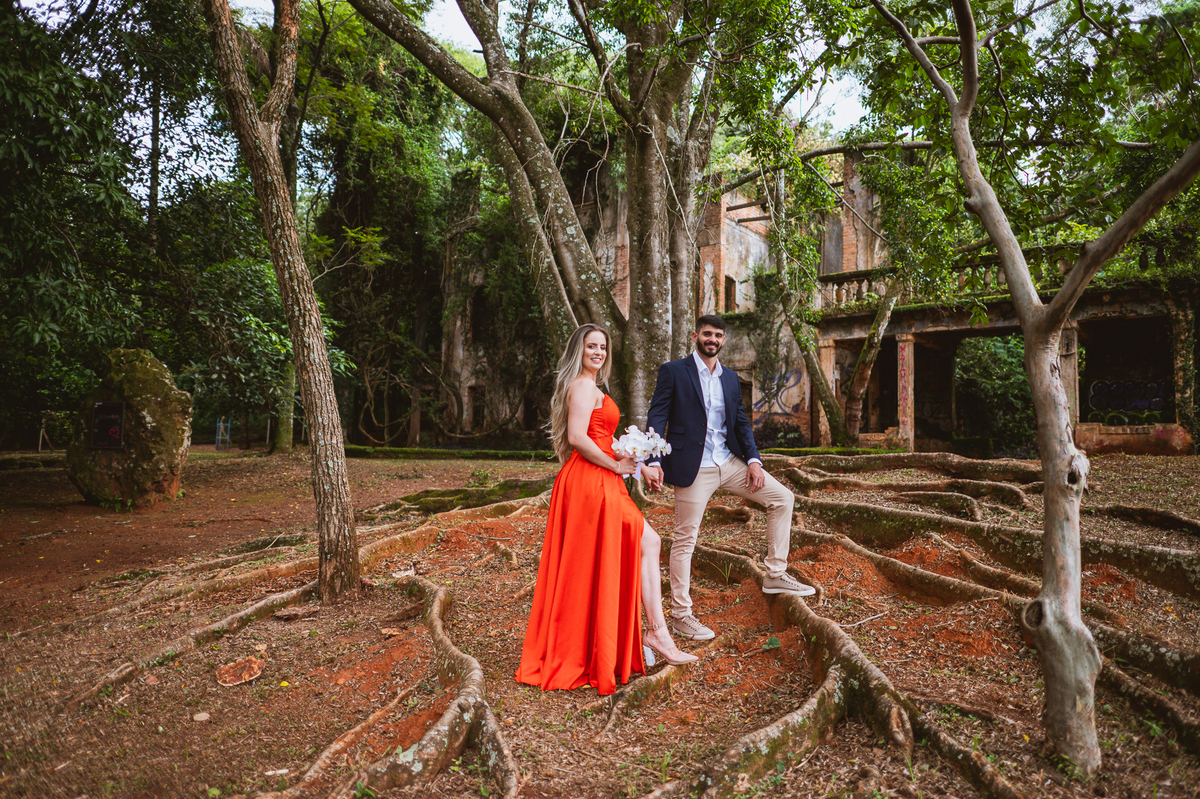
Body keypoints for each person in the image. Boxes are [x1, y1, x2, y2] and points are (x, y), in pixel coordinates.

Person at [516, 324, 698, 695]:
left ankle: (653, 633)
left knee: (646, 543)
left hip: (601, 478)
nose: (598, 352)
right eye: (591, 346)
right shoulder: (582, 387)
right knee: (648, 540)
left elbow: (605, 438)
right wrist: (617, 467)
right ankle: (655, 633)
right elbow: (577, 437)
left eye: (602, 346)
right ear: (578, 350)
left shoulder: (595, 387)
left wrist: (641, 464)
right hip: (590, 481)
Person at [643, 315, 815, 642]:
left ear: (723, 340)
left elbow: (740, 422)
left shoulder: (731, 378)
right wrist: (652, 459)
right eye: (707, 334)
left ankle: (775, 573)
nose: (713, 339)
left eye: (718, 335)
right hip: (693, 468)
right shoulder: (674, 371)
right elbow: (657, 415)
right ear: (695, 335)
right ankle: (681, 616)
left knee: (782, 498)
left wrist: (753, 460)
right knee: (685, 539)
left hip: (730, 462)